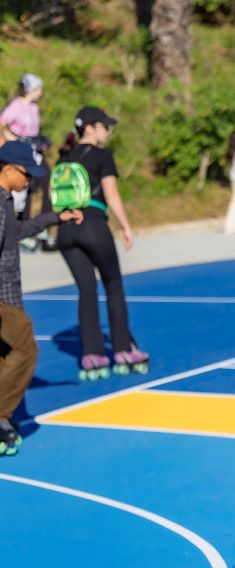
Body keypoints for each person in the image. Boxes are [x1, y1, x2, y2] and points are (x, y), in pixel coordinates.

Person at [0, 141, 82, 455]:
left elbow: (16, 234)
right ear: (7, 169)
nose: (30, 182)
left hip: (9, 292)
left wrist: (55, 218)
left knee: (8, 355)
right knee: (25, 350)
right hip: (3, 296)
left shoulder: (6, 200)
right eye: (26, 174)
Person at [54, 107, 142, 380]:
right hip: (93, 225)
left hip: (66, 232)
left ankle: (92, 354)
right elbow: (111, 194)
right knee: (113, 285)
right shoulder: (102, 156)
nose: (108, 131)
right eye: (105, 126)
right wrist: (126, 226)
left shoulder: (64, 158)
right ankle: (122, 349)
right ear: (91, 128)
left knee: (86, 290)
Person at [1, 73, 52, 249]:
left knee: (47, 183)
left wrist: (41, 140)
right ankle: (22, 228)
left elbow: (34, 130)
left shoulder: (34, 107)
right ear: (30, 89)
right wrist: (14, 138)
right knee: (25, 187)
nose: (40, 92)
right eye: (38, 89)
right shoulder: (16, 106)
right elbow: (2, 123)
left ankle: (43, 227)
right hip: (21, 153)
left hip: (35, 151)